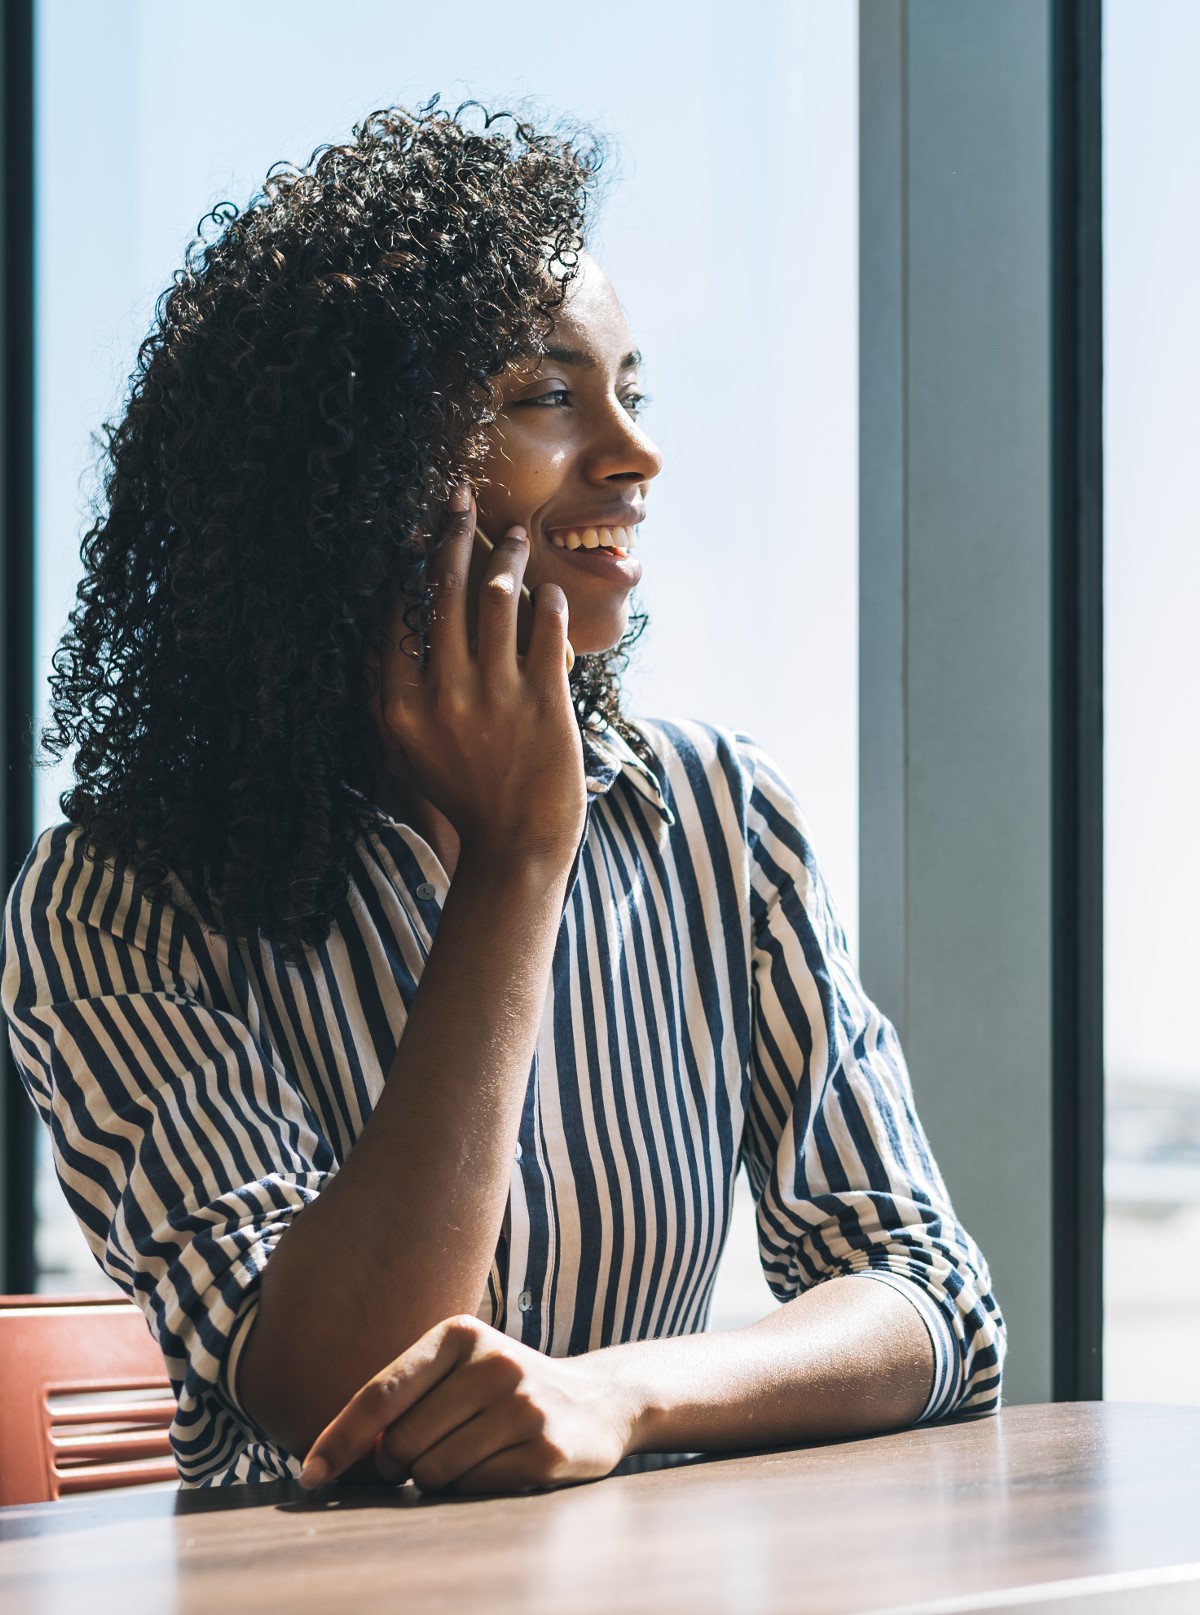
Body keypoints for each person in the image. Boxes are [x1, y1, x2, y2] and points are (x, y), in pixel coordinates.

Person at [0, 101, 1003, 1494]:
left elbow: (928, 1292)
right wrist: (521, 859)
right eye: (547, 398)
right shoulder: (114, 903)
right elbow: (344, 1386)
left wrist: (621, 1397)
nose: (634, 456)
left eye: (630, 394)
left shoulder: (719, 819)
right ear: (347, 472)